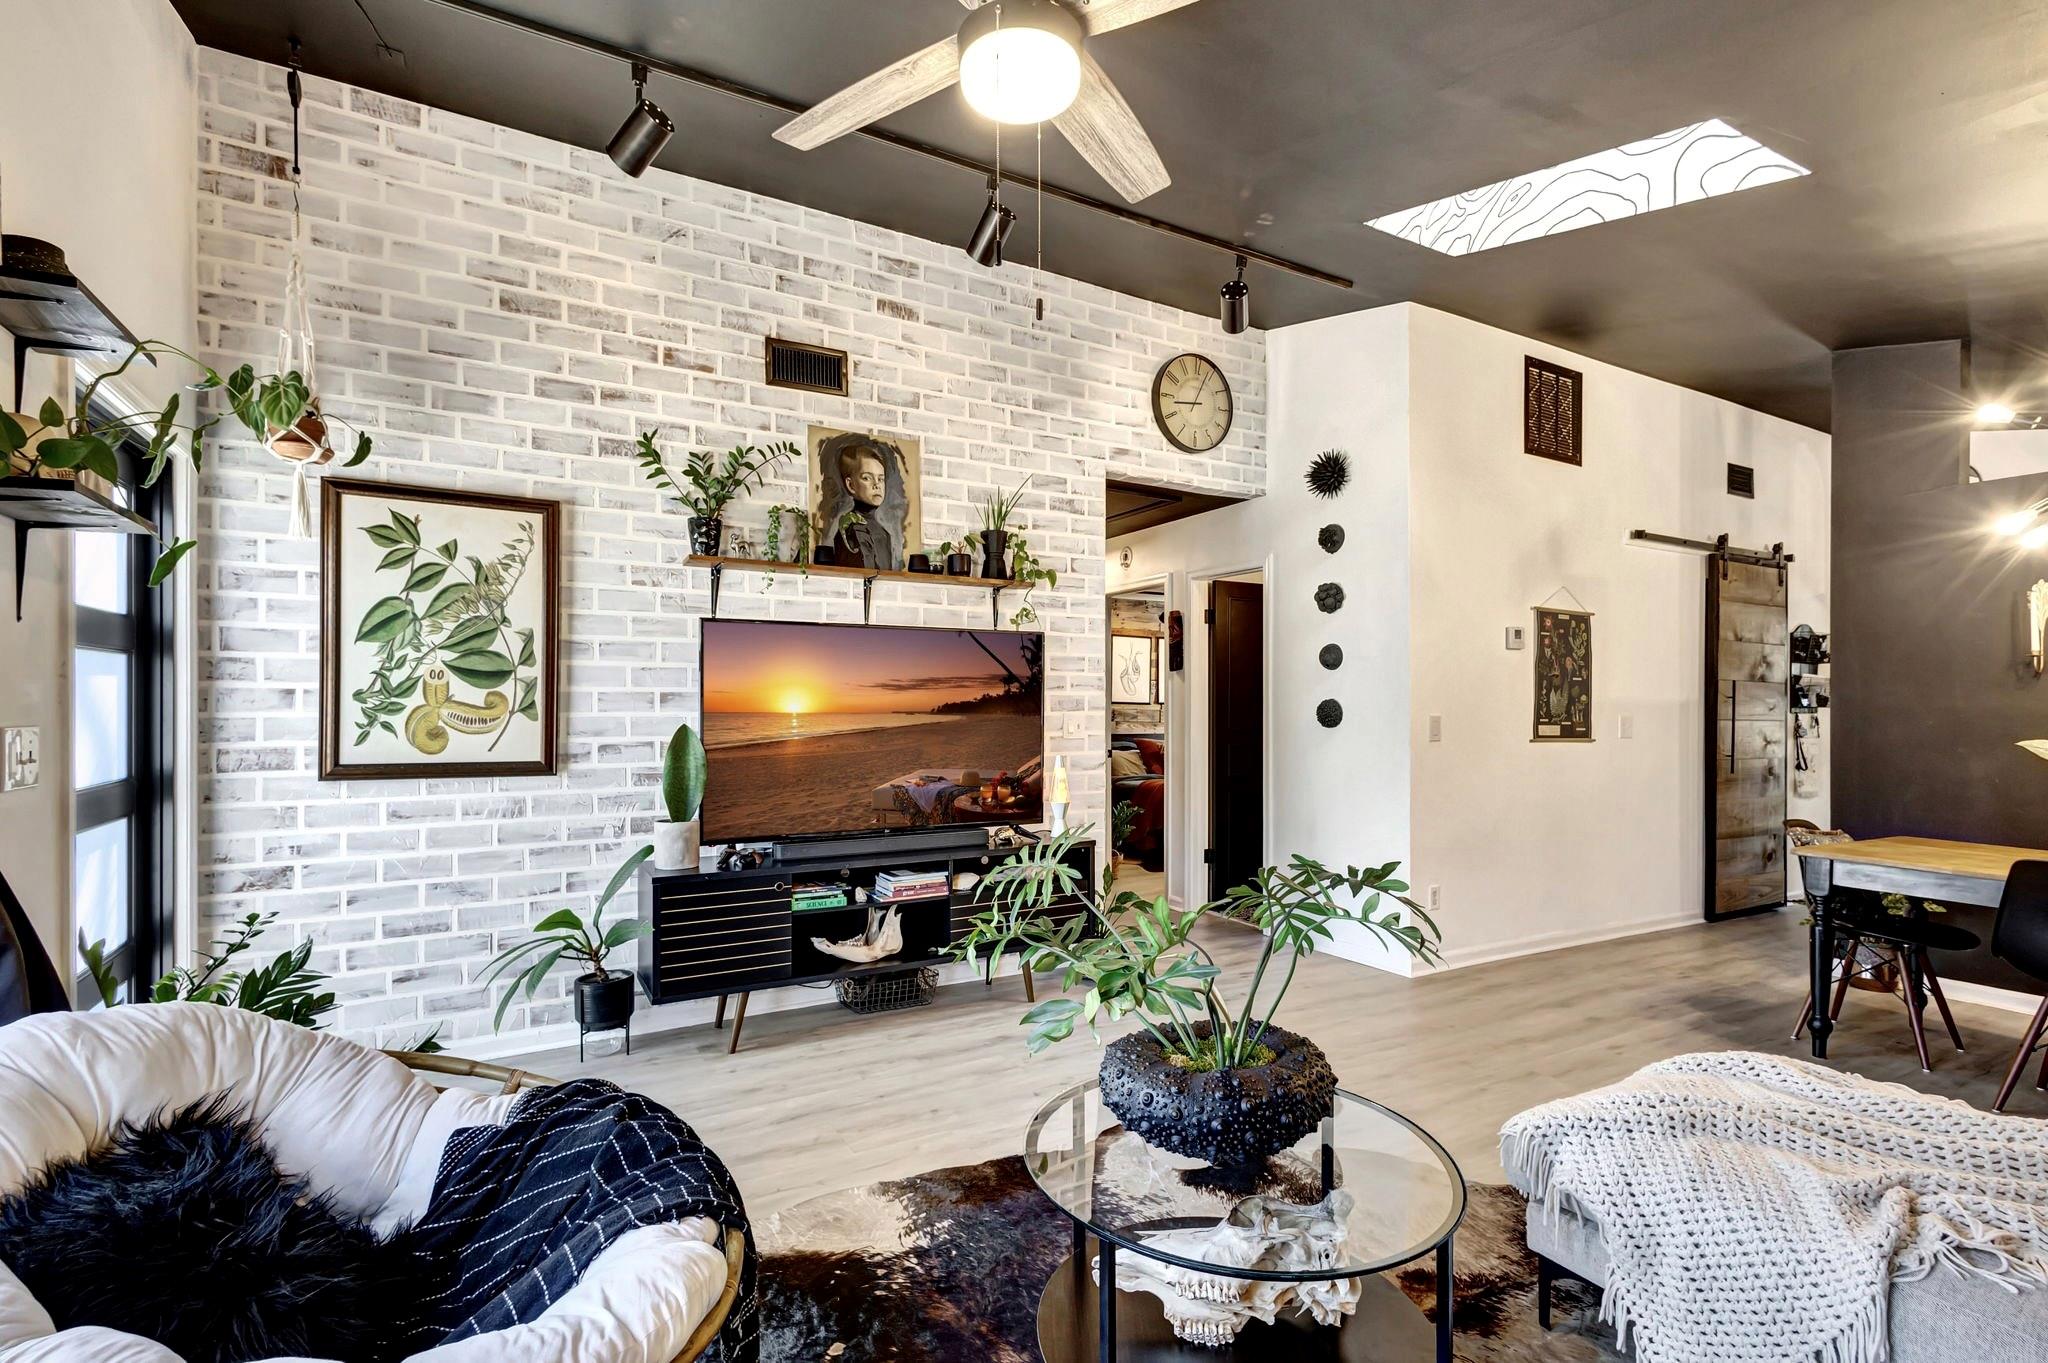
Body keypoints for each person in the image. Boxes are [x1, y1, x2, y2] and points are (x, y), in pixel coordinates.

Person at [830, 442, 899, 568]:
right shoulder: (853, 530)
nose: (876, 485)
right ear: (851, 485)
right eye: (867, 478)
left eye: (880, 479)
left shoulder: (884, 533)